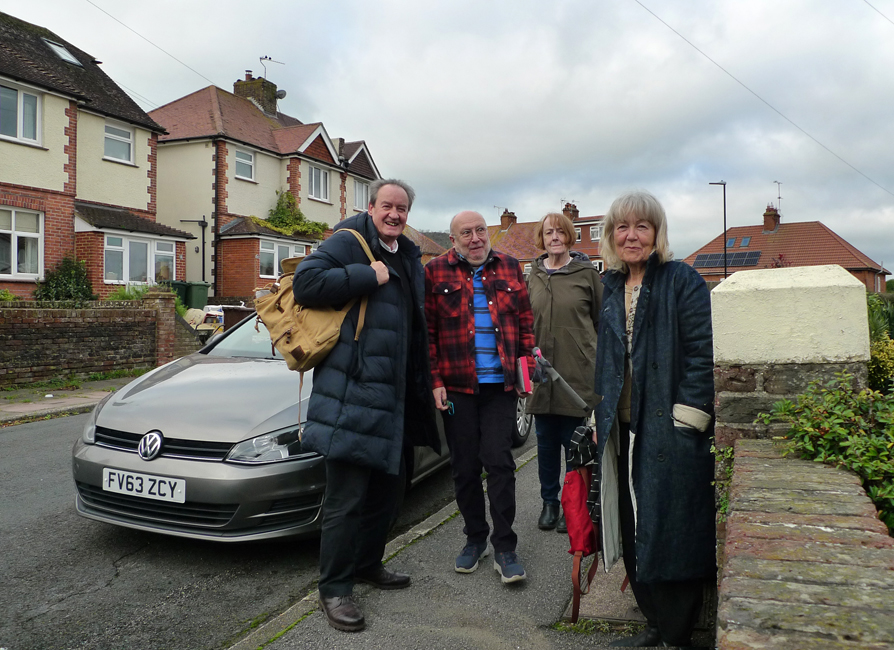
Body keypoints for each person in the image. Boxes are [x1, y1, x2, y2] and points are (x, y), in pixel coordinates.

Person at [292, 179, 440, 633]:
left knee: (390, 492)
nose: (394, 214)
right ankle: (334, 589)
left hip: (396, 398)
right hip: (353, 395)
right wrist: (365, 275)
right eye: (387, 207)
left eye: (402, 209)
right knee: (346, 500)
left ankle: (367, 563)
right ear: (371, 207)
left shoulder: (409, 255)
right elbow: (306, 283)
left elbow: (416, 326)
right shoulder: (348, 241)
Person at [594, 191, 715, 648]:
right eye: (622, 227)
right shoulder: (609, 286)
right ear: (611, 236)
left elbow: (702, 354)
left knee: (669, 527)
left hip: (669, 428)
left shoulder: (681, 280)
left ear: (656, 233)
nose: (631, 236)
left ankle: (677, 635)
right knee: (630, 524)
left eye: (641, 226)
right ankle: (653, 624)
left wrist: (690, 420)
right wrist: (597, 412)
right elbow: (606, 360)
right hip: (622, 429)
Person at [425, 210, 536, 584]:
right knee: (464, 467)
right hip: (458, 387)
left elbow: (525, 324)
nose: (475, 238)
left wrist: (526, 373)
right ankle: (475, 538)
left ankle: (505, 546)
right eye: (465, 233)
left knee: (499, 462)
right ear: (452, 240)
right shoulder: (435, 272)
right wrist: (435, 380)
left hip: (501, 386)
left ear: (487, 233)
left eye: (480, 231)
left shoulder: (509, 267)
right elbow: (429, 333)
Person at [526, 212, 602, 533]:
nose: (554, 237)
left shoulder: (586, 274)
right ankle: (549, 503)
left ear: (569, 237)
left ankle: (574, 503)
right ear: (541, 240)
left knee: (575, 444)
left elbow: (599, 321)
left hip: (577, 372)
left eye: (559, 232)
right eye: (548, 233)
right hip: (542, 372)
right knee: (544, 442)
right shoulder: (533, 276)